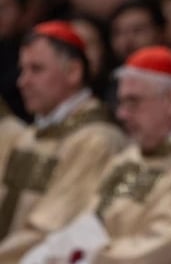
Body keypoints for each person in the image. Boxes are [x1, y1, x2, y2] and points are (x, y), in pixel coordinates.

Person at [23, 45, 171, 264]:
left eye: (133, 102)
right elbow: (90, 221)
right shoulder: (131, 156)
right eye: (121, 103)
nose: (122, 114)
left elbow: (170, 249)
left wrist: (89, 258)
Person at [0, 20, 127, 260]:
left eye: (36, 69)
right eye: (22, 70)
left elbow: (55, 225)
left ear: (73, 72)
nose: (22, 81)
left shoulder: (97, 140)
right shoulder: (30, 136)